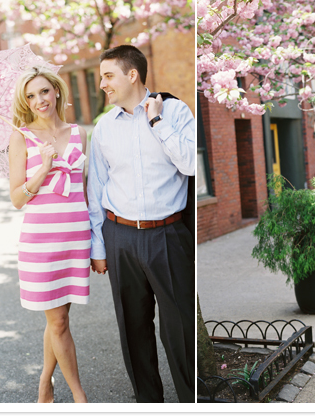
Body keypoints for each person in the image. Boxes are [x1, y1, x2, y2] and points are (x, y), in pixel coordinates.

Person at [87, 44, 195, 403]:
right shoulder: (103, 128)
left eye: (108, 75)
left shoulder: (176, 111)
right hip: (120, 239)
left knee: (179, 331)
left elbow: (190, 164)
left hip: (168, 235)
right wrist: (99, 248)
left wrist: (156, 121)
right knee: (133, 332)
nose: (102, 83)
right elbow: (97, 188)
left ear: (132, 74)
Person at [9, 67, 89, 403]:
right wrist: (42, 168)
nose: (39, 100)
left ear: (56, 91)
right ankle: (80, 398)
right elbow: (16, 199)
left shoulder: (78, 133)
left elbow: (86, 190)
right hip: (41, 242)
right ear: (24, 102)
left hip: (74, 238)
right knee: (56, 321)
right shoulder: (20, 137)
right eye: (30, 95)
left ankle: (45, 381)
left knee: (60, 318)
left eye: (43, 91)